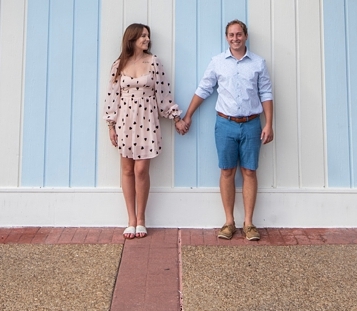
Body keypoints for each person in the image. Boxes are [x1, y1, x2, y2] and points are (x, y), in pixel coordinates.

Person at [176, 20, 273, 241]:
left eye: (239, 34)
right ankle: (229, 222)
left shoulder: (258, 63)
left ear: (245, 36)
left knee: (249, 171)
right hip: (225, 124)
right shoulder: (217, 62)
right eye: (231, 35)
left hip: (251, 124)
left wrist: (269, 123)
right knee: (227, 171)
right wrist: (188, 115)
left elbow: (266, 92)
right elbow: (204, 89)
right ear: (226, 37)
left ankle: (249, 223)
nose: (235, 38)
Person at [104, 23, 181, 239]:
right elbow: (112, 97)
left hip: (147, 121)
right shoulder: (119, 65)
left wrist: (176, 117)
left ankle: (141, 218)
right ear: (132, 38)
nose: (146, 39)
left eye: (148, 36)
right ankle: (130, 220)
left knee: (141, 171)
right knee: (127, 170)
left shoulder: (154, 63)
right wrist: (111, 125)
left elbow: (164, 95)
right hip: (125, 122)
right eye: (142, 36)